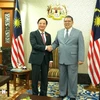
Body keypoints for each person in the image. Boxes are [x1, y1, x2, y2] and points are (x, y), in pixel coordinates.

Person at [47, 15, 85, 100]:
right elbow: (56, 43)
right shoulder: (59, 32)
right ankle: (62, 93)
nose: (67, 23)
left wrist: (81, 58)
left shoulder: (78, 33)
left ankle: (72, 95)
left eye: (69, 21)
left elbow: (81, 46)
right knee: (62, 78)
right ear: (63, 22)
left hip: (73, 59)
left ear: (72, 22)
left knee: (72, 78)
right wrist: (51, 47)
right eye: (65, 21)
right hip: (62, 59)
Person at [29, 18, 53, 96]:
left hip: (45, 60)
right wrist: (45, 47)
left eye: (44, 23)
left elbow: (50, 48)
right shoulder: (33, 34)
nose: (42, 25)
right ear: (38, 24)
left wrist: (51, 60)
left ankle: (43, 94)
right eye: (40, 23)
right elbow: (34, 45)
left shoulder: (48, 35)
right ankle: (35, 94)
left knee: (44, 78)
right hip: (36, 59)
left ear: (46, 25)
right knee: (35, 78)